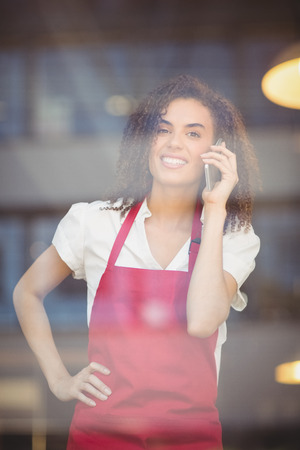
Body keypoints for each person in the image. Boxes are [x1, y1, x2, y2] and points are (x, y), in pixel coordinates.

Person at [13, 74, 260, 449]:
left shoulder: (231, 237)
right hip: (100, 436)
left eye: (193, 133)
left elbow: (203, 320)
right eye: (162, 130)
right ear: (147, 142)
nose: (174, 142)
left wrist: (214, 207)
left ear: (216, 151)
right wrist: (59, 379)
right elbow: (27, 292)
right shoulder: (94, 222)